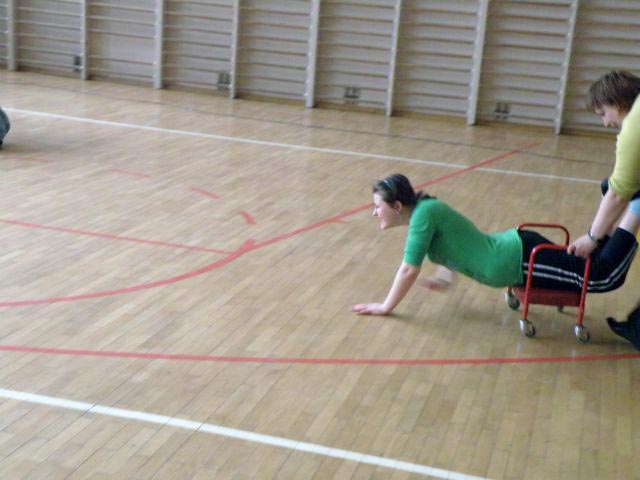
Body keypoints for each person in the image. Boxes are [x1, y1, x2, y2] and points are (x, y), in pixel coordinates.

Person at [352, 174, 639, 320]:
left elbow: (408, 270)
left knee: (601, 277)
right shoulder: (425, 212)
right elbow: (458, 242)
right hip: (517, 253)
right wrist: (445, 274)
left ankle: (635, 206)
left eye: (377, 206)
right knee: (592, 267)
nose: (374, 212)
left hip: (519, 258)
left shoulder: (423, 216)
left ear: (397, 206)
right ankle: (619, 202)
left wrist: (385, 306)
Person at [565, 71, 640, 349]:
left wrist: (593, 237)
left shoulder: (633, 126)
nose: (606, 123)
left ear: (617, 102)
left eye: (603, 113)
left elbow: (618, 194)